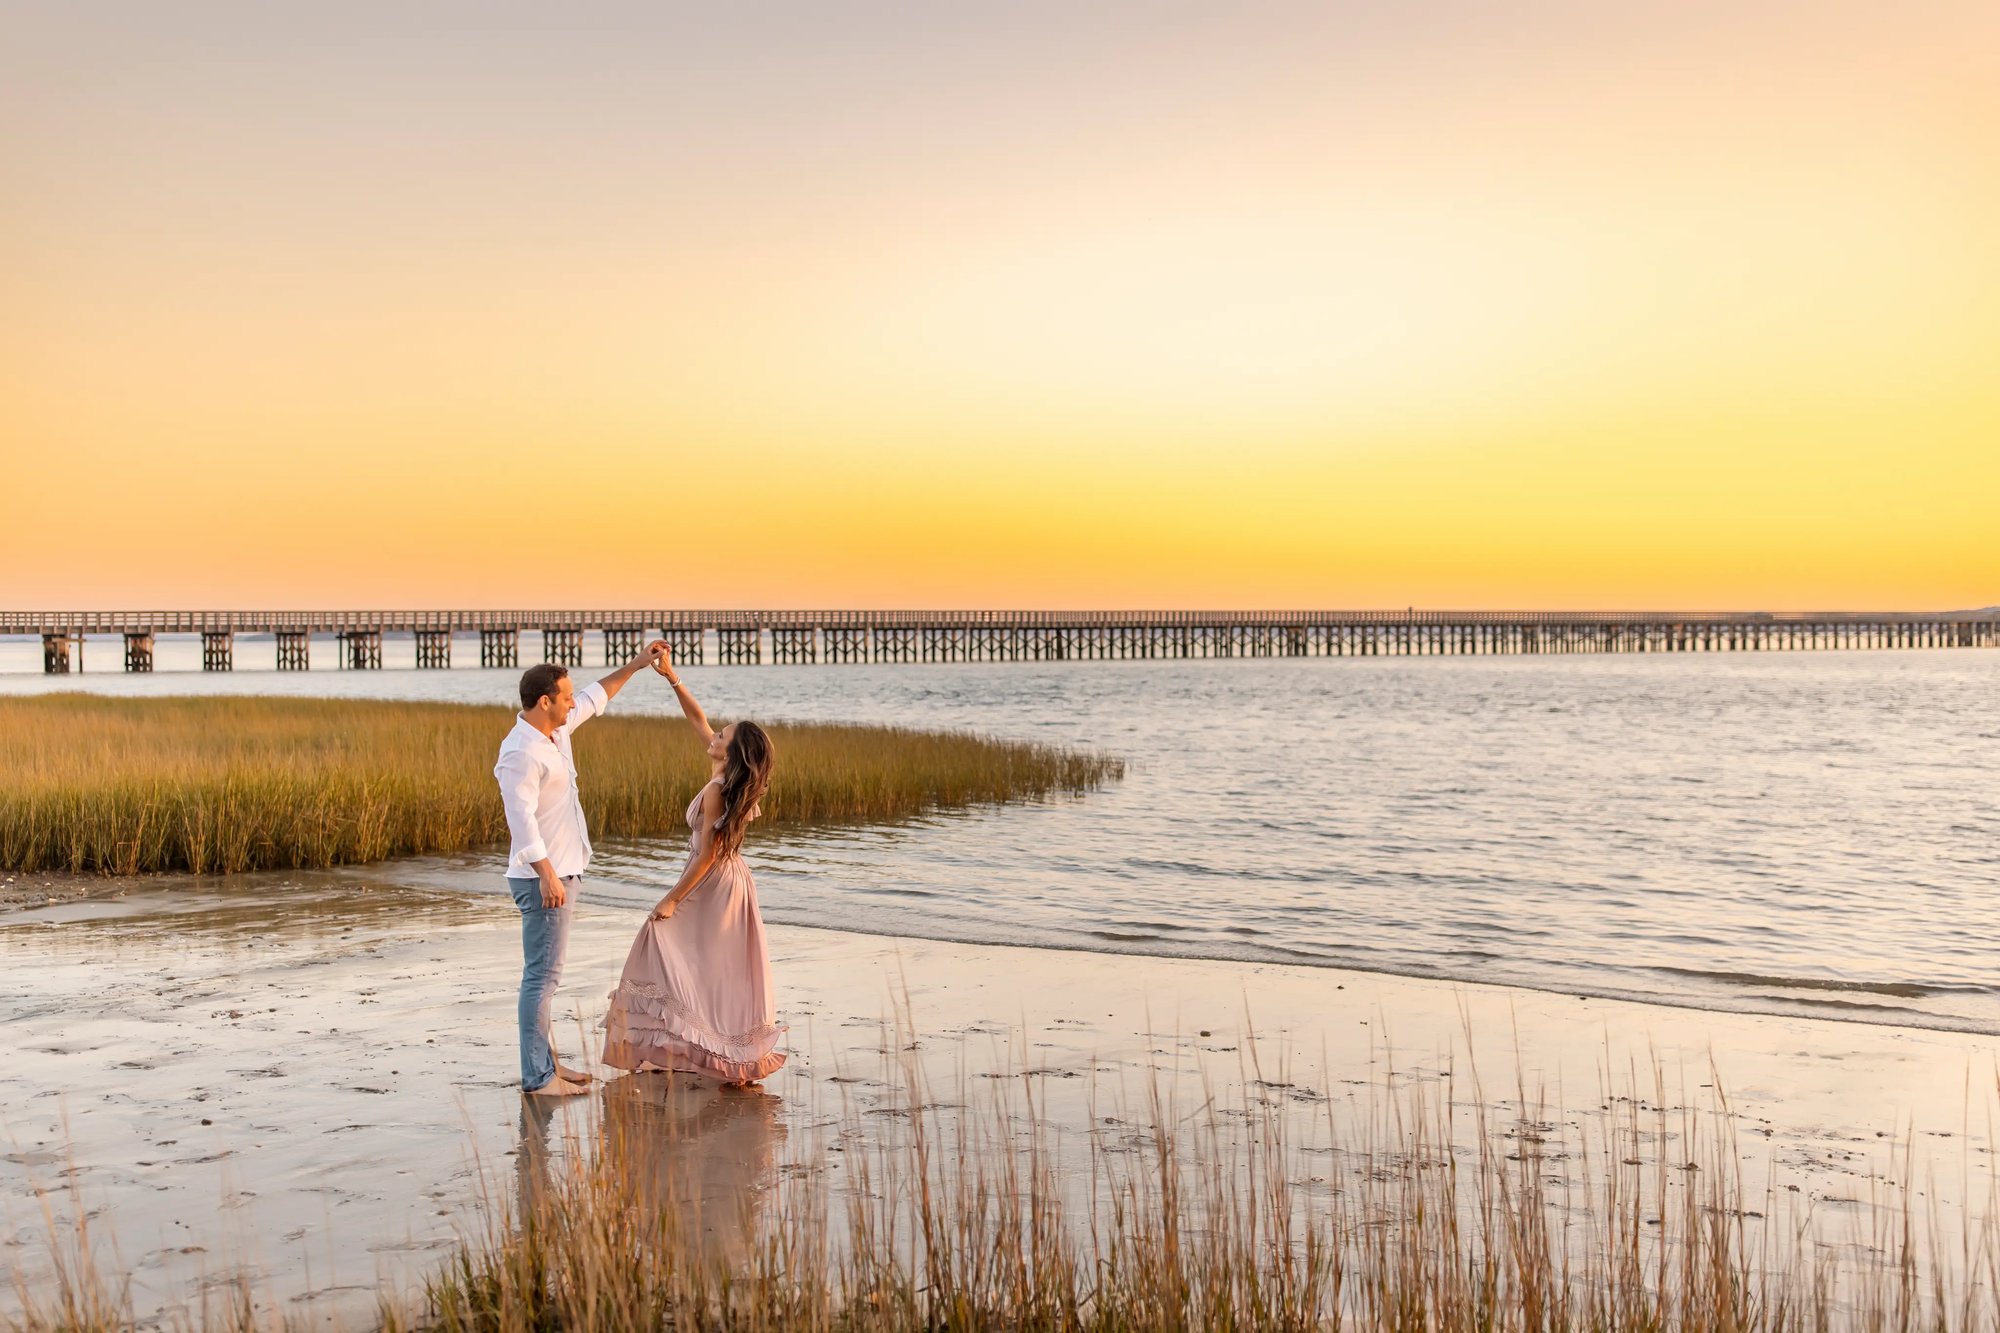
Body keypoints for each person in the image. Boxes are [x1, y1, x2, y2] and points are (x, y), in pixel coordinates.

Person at [602, 649, 786, 1086]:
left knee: (661, 939)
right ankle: (717, 1052)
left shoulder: (718, 789)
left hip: (713, 880)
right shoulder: (727, 777)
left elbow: (706, 855)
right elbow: (697, 719)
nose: (712, 732)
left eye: (721, 733)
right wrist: (671, 678)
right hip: (730, 880)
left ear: (731, 749)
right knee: (714, 966)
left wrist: (670, 899)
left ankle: (715, 1051)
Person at [496, 643, 667, 1097]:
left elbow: (597, 693)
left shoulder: (557, 729)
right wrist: (548, 873)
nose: (573, 702)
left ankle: (546, 1065)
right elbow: (520, 818)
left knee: (545, 977)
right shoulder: (520, 752)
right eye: (565, 696)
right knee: (542, 978)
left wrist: (637, 663)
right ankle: (538, 1078)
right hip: (543, 879)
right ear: (544, 701)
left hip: (560, 873)